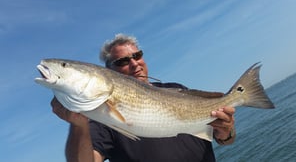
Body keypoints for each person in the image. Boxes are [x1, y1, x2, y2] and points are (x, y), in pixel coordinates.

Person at [51, 34, 236, 162]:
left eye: (137, 55)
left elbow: (223, 138)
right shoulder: (100, 115)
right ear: (109, 72)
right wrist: (78, 126)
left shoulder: (177, 89)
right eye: (122, 61)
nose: (134, 63)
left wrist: (226, 131)